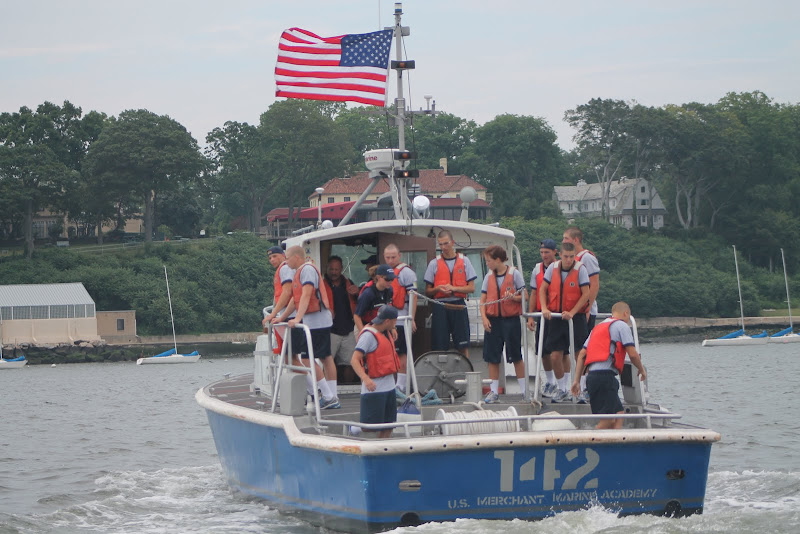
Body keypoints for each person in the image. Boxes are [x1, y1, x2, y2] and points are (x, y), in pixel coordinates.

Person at [276, 246, 339, 409]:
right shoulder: (300, 272)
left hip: (317, 321)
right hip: (315, 321)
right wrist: (281, 317)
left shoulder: (307, 270)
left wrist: (297, 318)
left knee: (307, 358)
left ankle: (328, 396)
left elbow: (307, 294)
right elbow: (295, 299)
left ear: (296, 257)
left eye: (288, 258)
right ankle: (331, 396)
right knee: (324, 356)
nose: (286, 262)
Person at [571, 301, 646, 429]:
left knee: (619, 414)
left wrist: (577, 381)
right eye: (628, 318)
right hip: (604, 378)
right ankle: (589, 441)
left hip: (592, 378)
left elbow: (582, 354)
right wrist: (641, 369)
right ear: (626, 313)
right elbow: (633, 354)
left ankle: (615, 446)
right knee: (609, 420)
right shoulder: (622, 326)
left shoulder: (598, 327)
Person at [539, 241, 590, 403]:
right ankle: (562, 389)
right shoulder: (552, 269)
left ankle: (580, 388)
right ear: (560, 255)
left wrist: (573, 312)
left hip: (577, 318)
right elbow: (542, 289)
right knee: (555, 355)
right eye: (566, 256)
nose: (569, 260)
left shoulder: (580, 269)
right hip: (556, 317)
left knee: (579, 354)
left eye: (572, 256)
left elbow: (586, 294)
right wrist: (545, 308)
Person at [480, 245, 527, 403]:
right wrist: (484, 319)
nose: (487, 263)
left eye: (489, 260)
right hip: (493, 321)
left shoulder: (514, 274)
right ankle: (493, 392)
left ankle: (524, 391)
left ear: (498, 260)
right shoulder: (488, 277)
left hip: (511, 321)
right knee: (492, 357)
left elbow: (525, 296)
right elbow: (482, 301)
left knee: (515, 356)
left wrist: (513, 298)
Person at [351, 305, 402, 438]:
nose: (395, 324)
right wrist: (365, 379)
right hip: (374, 388)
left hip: (390, 386)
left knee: (389, 425)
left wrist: (394, 328)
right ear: (387, 321)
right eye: (394, 322)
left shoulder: (387, 330)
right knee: (370, 427)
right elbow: (354, 360)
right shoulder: (368, 336)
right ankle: (355, 428)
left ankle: (382, 448)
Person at [424, 230, 477, 357]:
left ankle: (466, 373)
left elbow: (471, 288)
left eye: (446, 244)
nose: (443, 247)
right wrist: (438, 289)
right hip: (440, 306)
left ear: (452, 243)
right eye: (440, 244)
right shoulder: (433, 264)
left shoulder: (465, 261)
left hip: (458, 305)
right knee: (440, 345)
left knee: (462, 344)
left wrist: (453, 288)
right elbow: (427, 291)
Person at [563, 226, 600, 401]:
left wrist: (587, 308)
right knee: (573, 350)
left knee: (582, 350)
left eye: (566, 239)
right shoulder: (571, 259)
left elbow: (594, 284)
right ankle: (574, 386)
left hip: (585, 311)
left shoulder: (586, 258)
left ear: (576, 240)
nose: (563, 242)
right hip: (574, 311)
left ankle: (585, 387)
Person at [383, 244, 417, 396]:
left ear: (399, 256)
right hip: (388, 322)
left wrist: (413, 318)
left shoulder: (407, 273)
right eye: (387, 257)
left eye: (393, 257)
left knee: (401, 353)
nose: (390, 260)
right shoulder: (384, 273)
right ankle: (393, 384)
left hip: (402, 320)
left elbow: (414, 296)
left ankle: (401, 386)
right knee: (390, 353)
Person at [526, 239, 559, 397]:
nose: (544, 255)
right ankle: (550, 381)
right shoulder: (537, 269)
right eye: (542, 252)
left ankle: (562, 384)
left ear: (555, 252)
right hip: (542, 315)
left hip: (557, 314)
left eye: (547, 252)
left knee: (559, 352)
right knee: (543, 351)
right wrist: (530, 316)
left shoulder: (561, 267)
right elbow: (534, 293)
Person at [324, 255, 359, 382]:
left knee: (350, 362)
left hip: (348, 329)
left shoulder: (349, 283)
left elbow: (359, 303)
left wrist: (358, 293)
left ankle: (349, 387)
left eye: (336, 269)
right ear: (327, 268)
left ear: (341, 269)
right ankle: (329, 390)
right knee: (327, 361)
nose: (334, 272)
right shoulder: (322, 285)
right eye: (331, 269)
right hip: (330, 330)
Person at [262, 246, 293, 355]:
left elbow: (287, 292)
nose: (272, 260)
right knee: (286, 355)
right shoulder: (282, 269)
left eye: (275, 256)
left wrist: (272, 314)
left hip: (289, 315)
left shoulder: (285, 268)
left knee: (290, 355)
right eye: (270, 258)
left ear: (283, 256)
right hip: (284, 315)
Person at [354, 264, 395, 332]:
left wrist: (393, 328)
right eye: (387, 279)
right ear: (378, 277)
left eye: (392, 279)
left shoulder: (390, 290)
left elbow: (389, 312)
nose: (390, 282)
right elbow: (356, 316)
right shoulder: (368, 293)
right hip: (364, 326)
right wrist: (363, 333)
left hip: (381, 327)